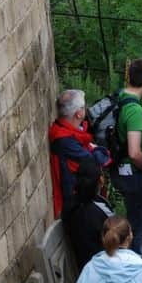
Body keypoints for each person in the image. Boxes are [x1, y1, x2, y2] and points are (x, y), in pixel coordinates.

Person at [112, 59, 142, 253]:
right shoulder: (134, 110)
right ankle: (134, 260)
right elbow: (134, 152)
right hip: (135, 175)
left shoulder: (120, 96)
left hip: (119, 170)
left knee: (133, 217)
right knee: (137, 225)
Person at [49, 89, 111, 217]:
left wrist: (94, 149)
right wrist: (96, 149)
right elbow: (97, 159)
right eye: (83, 107)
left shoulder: (71, 131)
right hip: (75, 200)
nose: (86, 109)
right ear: (78, 114)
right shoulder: (64, 139)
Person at [61, 155, 114, 266]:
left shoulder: (71, 204)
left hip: (84, 263)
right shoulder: (96, 211)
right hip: (101, 266)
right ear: (101, 180)